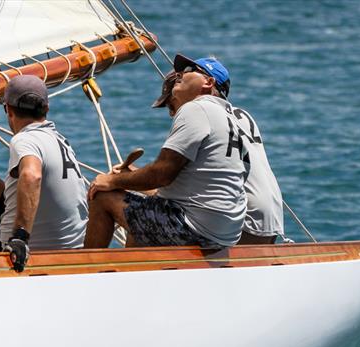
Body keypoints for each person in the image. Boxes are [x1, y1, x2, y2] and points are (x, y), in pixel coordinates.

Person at [84, 54, 250, 249]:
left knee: (102, 196)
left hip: (195, 230)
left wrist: (110, 181)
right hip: (226, 234)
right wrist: (133, 177)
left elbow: (162, 174)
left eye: (188, 71)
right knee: (145, 213)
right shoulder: (232, 119)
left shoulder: (197, 108)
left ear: (208, 82)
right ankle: (131, 274)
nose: (179, 75)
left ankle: (85, 273)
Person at [0, 75, 88, 272]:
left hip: (31, 250)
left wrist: (20, 237)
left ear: (7, 110)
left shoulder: (24, 140)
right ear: (46, 108)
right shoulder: (60, 140)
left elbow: (31, 176)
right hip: (72, 248)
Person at [150, 66, 284, 244]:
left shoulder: (199, 114)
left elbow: (166, 181)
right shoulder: (241, 116)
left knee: (139, 211)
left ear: (207, 85)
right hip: (271, 221)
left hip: (242, 222)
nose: (171, 112)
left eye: (171, 102)